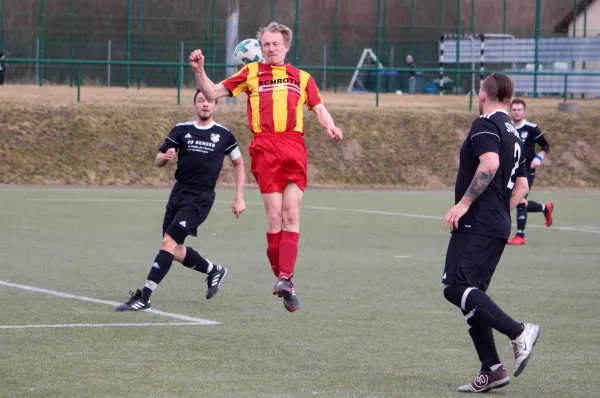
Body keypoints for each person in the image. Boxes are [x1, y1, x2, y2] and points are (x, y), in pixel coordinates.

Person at [189, 21, 343, 313]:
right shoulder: (250, 73)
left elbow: (319, 108)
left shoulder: (302, 77)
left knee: (291, 212)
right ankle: (285, 280)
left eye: (276, 44)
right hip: (265, 148)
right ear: (260, 48)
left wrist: (331, 126)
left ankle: (285, 278)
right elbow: (211, 92)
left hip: (293, 146)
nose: (271, 48)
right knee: (274, 218)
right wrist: (199, 69)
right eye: (266, 44)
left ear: (286, 46)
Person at [441, 73, 540, 393]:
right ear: (510, 99)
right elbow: (523, 186)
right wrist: (499, 213)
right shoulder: (514, 132)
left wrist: (464, 204)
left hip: (477, 221)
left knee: (455, 288)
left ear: (483, 94)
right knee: (471, 296)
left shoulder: (485, 123)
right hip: (497, 222)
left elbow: (489, 164)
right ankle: (492, 369)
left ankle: (518, 331)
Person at [116, 90, 246, 311]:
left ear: (216, 106)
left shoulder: (224, 135)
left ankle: (144, 297)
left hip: (200, 198)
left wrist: (239, 196)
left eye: (210, 101)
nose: (205, 104)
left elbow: (239, 163)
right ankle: (214, 270)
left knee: (167, 244)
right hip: (178, 194)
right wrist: (164, 158)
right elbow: (158, 159)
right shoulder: (181, 129)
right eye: (201, 100)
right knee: (174, 249)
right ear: (194, 105)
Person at [507, 99, 553, 245]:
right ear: (510, 111)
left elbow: (545, 145)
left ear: (524, 112)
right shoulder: (507, 128)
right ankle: (545, 208)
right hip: (511, 170)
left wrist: (539, 158)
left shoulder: (532, 128)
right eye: (514, 109)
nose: (516, 112)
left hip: (527, 170)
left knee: (519, 200)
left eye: (519, 109)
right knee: (515, 200)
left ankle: (520, 235)